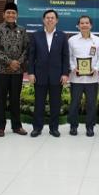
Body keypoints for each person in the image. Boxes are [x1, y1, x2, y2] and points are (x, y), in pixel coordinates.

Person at [27, 9, 70, 138]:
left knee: (55, 104)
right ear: (43, 20)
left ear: (56, 20)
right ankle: (37, 128)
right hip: (39, 75)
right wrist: (31, 72)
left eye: (52, 18)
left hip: (57, 75)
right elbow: (31, 56)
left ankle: (54, 128)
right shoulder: (36, 35)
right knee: (39, 103)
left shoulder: (62, 36)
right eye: (47, 17)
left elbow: (65, 56)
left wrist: (65, 73)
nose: (50, 20)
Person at [0, 2, 29, 137]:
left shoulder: (22, 30)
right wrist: (9, 62)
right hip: (1, 70)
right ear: (3, 14)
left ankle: (17, 126)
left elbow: (26, 48)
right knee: (0, 99)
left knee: (15, 99)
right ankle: (0, 127)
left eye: (13, 13)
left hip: (17, 71)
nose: (11, 15)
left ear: (17, 15)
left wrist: (18, 62)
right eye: (8, 12)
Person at [68, 15, 99, 137]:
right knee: (74, 104)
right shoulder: (72, 40)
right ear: (78, 26)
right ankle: (73, 126)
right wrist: (73, 68)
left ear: (91, 25)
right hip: (76, 78)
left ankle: (90, 127)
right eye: (82, 23)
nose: (84, 25)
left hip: (92, 79)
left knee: (91, 105)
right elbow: (68, 57)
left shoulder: (97, 40)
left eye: (87, 23)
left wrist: (96, 69)